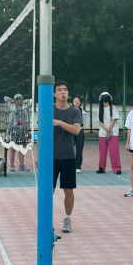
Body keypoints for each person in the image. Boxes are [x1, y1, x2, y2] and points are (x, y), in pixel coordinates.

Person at [53, 81, 82, 233]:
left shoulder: (74, 111)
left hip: (68, 157)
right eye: (59, 90)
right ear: (54, 94)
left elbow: (76, 130)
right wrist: (39, 155)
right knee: (48, 190)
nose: (63, 92)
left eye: (65, 89)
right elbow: (42, 134)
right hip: (50, 157)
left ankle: (67, 218)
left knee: (68, 191)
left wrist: (59, 123)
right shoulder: (48, 109)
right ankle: (46, 219)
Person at [4, 94, 31, 171]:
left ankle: (21, 166)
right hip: (14, 130)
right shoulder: (12, 107)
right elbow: (5, 98)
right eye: (17, 99)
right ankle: (12, 165)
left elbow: (25, 120)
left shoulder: (24, 108)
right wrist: (13, 100)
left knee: (22, 148)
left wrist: (26, 131)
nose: (18, 101)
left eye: (20, 99)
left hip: (22, 130)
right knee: (13, 148)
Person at [97, 92, 122, 175]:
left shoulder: (113, 108)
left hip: (113, 132)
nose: (105, 98)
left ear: (109, 98)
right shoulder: (99, 109)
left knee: (114, 151)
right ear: (101, 99)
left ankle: (117, 168)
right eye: (103, 97)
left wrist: (109, 130)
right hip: (102, 133)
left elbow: (114, 119)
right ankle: (101, 168)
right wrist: (106, 130)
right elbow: (100, 122)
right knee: (102, 151)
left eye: (106, 96)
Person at [73, 97, 87, 173]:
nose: (76, 102)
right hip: (71, 131)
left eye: (78, 101)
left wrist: (78, 128)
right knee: (70, 149)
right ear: (72, 102)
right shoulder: (70, 111)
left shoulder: (83, 112)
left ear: (80, 102)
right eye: (75, 101)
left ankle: (77, 166)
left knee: (79, 149)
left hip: (80, 131)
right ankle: (70, 165)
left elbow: (83, 123)